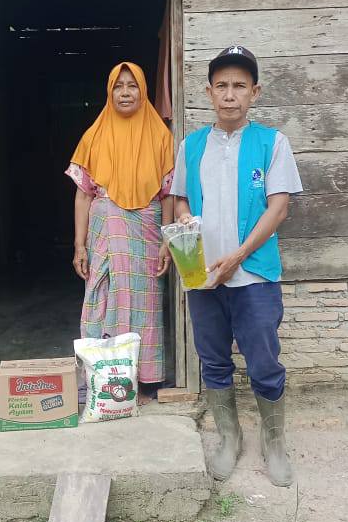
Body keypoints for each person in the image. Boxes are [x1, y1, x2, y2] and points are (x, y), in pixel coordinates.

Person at [171, 45, 302, 487]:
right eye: (222, 86)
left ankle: (274, 441)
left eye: (240, 86)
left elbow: (278, 208)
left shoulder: (272, 143)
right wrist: (184, 218)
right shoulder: (191, 146)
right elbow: (180, 198)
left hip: (255, 274)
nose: (230, 95)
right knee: (213, 359)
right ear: (209, 92)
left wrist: (239, 255)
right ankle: (230, 436)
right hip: (203, 275)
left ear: (254, 92)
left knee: (264, 360)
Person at [66, 61, 174, 400]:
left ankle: (145, 380)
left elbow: (168, 194)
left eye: (132, 85)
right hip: (104, 232)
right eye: (118, 86)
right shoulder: (94, 135)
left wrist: (167, 240)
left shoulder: (160, 136)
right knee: (101, 297)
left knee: (144, 301)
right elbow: (83, 195)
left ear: (143, 91)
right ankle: (104, 378)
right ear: (109, 92)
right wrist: (79, 245)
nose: (125, 92)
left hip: (146, 233)